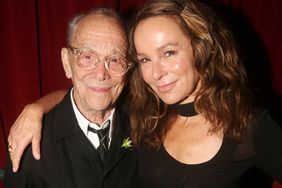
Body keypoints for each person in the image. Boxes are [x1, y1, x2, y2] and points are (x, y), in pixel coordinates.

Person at [7, 0, 282, 187]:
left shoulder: (249, 124)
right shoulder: (148, 113)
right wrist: (37, 108)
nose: (155, 73)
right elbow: (93, 92)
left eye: (169, 53)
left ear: (202, 48)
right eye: (145, 60)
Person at [4, 7, 137, 188]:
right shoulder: (29, 143)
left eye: (115, 60)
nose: (101, 74)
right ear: (67, 62)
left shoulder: (143, 127)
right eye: (87, 56)